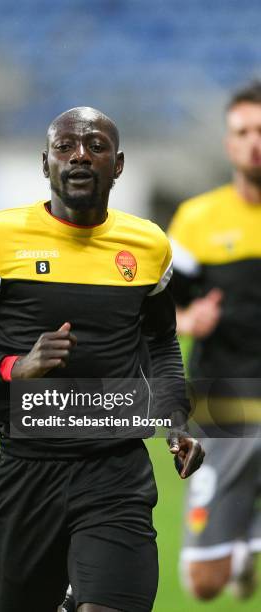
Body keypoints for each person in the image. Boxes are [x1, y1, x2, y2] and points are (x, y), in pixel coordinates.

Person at [0, 106, 204, 612]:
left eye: (95, 146)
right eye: (65, 146)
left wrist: (175, 418)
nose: (79, 156)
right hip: (28, 472)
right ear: (44, 162)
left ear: (118, 166)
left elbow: (160, 343)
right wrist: (12, 368)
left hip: (116, 468)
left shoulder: (148, 246)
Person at [169, 81, 261, 601]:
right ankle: (243, 541)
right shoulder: (197, 220)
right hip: (221, 403)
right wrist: (186, 319)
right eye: (242, 132)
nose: (254, 143)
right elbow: (157, 310)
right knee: (204, 584)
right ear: (228, 143)